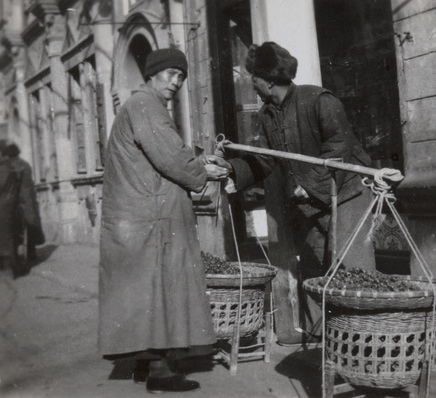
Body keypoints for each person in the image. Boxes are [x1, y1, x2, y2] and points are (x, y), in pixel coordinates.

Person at [207, 42, 399, 345]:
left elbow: (338, 149)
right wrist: (230, 168)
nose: (252, 85)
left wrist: (307, 184)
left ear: (268, 79)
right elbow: (265, 159)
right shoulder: (268, 115)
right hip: (311, 204)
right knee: (313, 273)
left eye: (254, 78)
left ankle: (365, 345)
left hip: (348, 195)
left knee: (352, 271)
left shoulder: (319, 100)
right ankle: (319, 340)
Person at [98, 48, 229, 393]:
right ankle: (160, 372)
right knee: (160, 292)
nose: (176, 82)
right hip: (150, 218)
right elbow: (170, 157)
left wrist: (197, 163)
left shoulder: (138, 106)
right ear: (152, 75)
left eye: (182, 76)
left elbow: (162, 152)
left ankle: (146, 362)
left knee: (146, 293)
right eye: (170, 74)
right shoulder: (145, 105)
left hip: (138, 217)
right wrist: (204, 170)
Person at [4, 143, 45, 266]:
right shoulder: (25, 164)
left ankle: (16, 256)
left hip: (17, 200)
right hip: (28, 199)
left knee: (14, 226)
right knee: (31, 225)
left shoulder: (10, 166)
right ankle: (31, 254)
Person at [0, 140, 22, 277]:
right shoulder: (6, 167)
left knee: (4, 237)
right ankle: (6, 265)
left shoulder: (2, 169)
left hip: (1, 208)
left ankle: (11, 267)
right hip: (6, 207)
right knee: (6, 237)